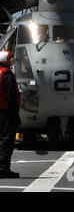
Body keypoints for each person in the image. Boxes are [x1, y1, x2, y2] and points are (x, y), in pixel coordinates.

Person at [0, 51, 21, 179]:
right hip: (5, 113)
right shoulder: (7, 75)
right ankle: (3, 169)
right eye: (10, 59)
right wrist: (15, 117)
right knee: (6, 141)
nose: (11, 61)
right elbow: (11, 98)